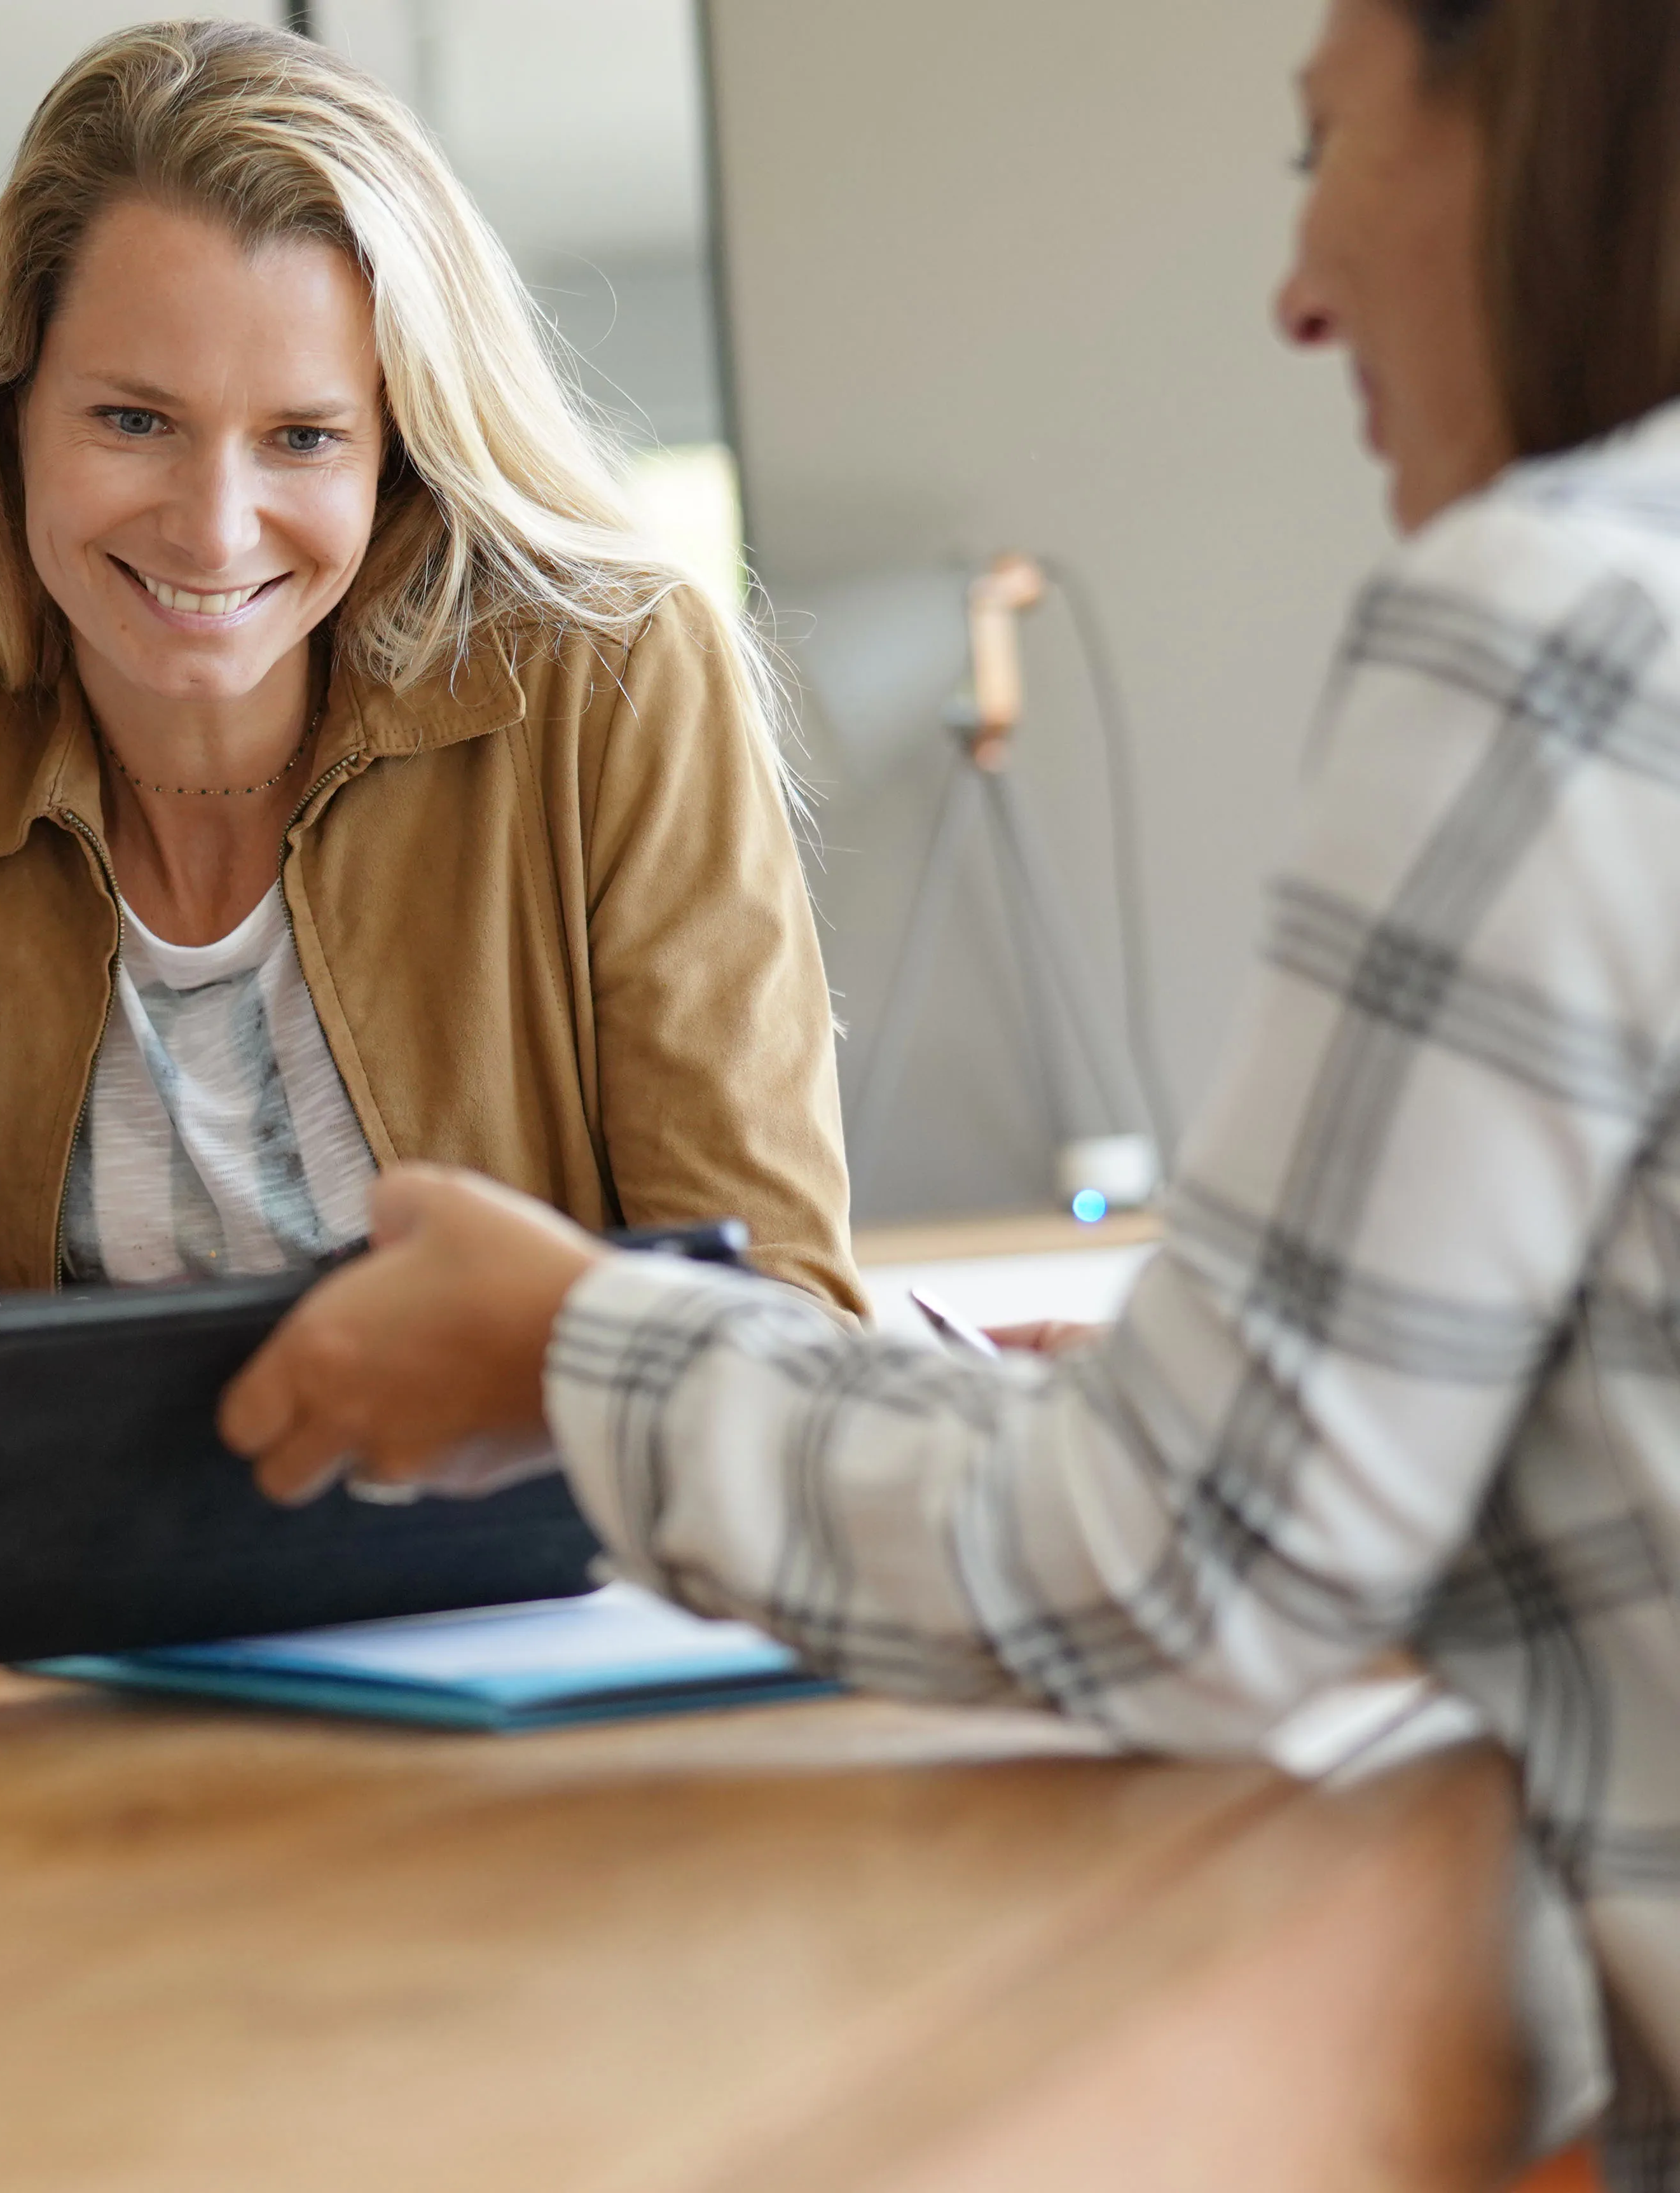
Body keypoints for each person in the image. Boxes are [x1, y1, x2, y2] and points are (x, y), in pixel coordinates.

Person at [221, 0, 1680, 2171]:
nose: (1297, 288)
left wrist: (567, 1342)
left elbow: (1187, 1566)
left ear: (1526, 129)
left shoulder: (1560, 625)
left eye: (1320, 152)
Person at [0, 23, 860, 1667]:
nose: (214, 527)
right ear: (11, 414)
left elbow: (771, 1313)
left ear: (396, 450)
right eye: (134, 421)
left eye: (303, 436)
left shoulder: (611, 674)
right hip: (78, 1645)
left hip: (552, 1618)